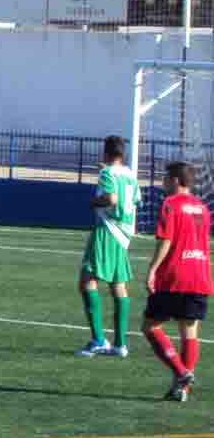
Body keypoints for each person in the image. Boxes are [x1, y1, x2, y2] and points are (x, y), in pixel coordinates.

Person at [141, 161, 212, 402]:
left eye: (165, 178)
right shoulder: (203, 208)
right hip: (200, 274)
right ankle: (182, 389)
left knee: (150, 327)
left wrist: (152, 270)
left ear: (174, 180)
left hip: (174, 276)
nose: (162, 182)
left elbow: (166, 240)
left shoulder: (170, 205)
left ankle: (181, 372)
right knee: (189, 332)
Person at [76, 135, 139, 357]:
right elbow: (134, 201)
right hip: (123, 234)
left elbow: (111, 199)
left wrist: (94, 202)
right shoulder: (130, 175)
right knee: (117, 284)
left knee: (86, 282)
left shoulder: (107, 173)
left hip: (106, 230)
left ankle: (98, 340)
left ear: (105, 152)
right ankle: (120, 344)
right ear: (123, 154)